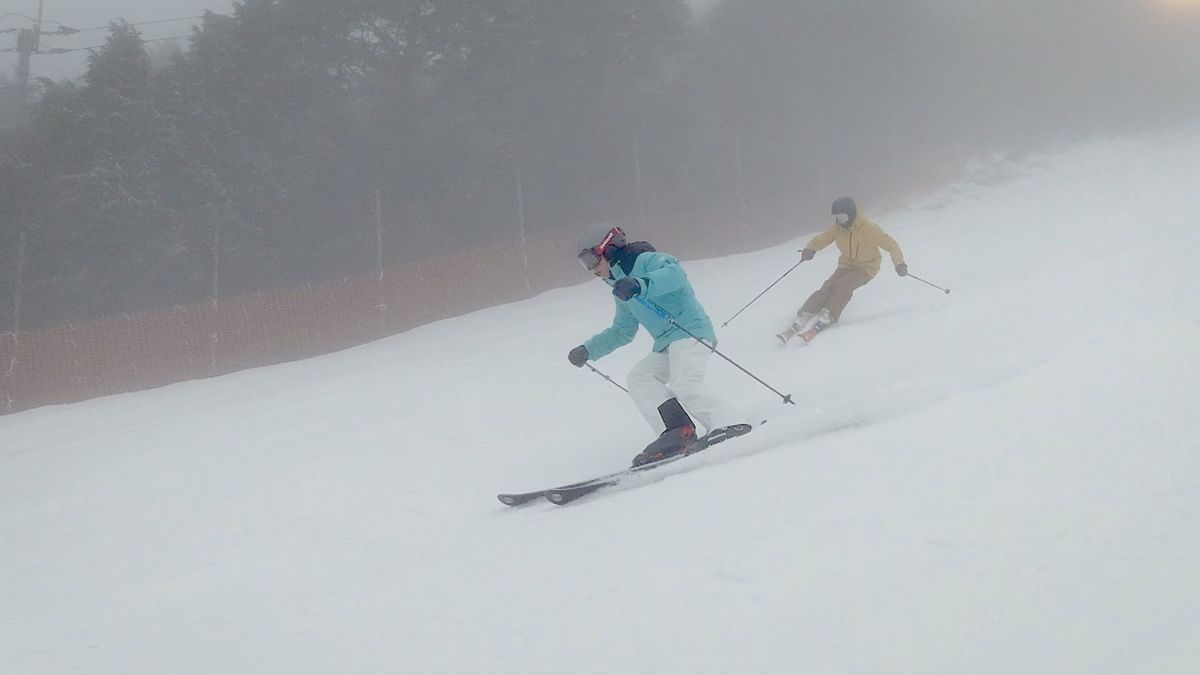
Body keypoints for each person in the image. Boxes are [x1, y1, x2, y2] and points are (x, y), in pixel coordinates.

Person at [568, 224, 747, 466]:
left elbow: (675, 275)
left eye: (591, 260)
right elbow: (622, 330)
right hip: (665, 344)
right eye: (584, 263)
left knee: (684, 382)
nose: (590, 269)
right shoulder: (619, 287)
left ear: (609, 249)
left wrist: (640, 284)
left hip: (691, 332)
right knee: (640, 377)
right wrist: (588, 350)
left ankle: (730, 422)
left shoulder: (647, 260)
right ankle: (677, 431)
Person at [777, 197, 907, 344]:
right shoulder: (837, 228)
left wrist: (899, 264)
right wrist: (810, 248)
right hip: (846, 265)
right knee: (828, 287)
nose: (840, 220)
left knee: (844, 286)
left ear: (851, 214)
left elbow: (891, 245)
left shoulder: (869, 229)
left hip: (866, 267)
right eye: (837, 217)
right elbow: (823, 238)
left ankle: (829, 314)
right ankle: (806, 311)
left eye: (842, 217)